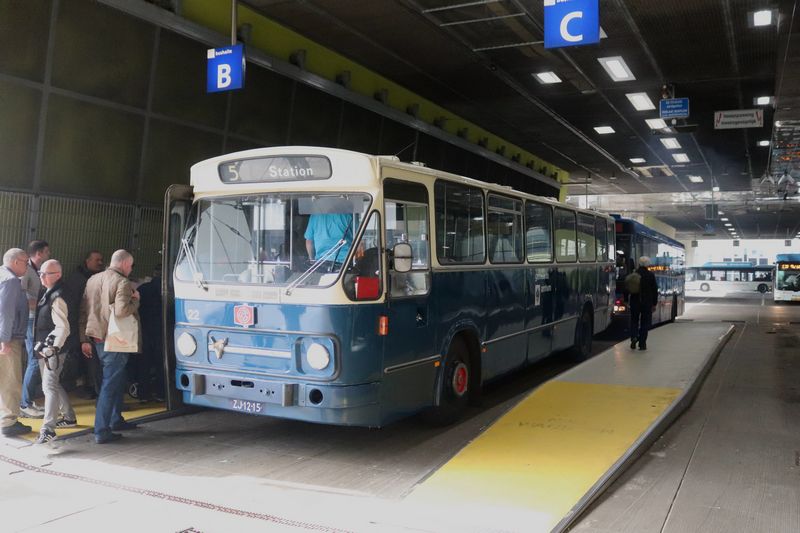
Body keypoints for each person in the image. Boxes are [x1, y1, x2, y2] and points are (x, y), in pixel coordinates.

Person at [80, 249, 140, 444]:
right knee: (110, 383)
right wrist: (135, 300)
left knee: (114, 379)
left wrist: (84, 338)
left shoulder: (93, 279)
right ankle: (102, 429)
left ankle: (115, 419)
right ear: (123, 264)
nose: (130, 269)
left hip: (97, 337)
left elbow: (84, 310)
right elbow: (122, 311)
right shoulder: (122, 282)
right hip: (115, 339)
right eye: (130, 265)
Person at [33, 260, 77, 444]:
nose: (41, 276)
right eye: (40, 273)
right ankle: (69, 416)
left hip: (53, 351)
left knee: (48, 386)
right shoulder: (51, 292)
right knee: (51, 383)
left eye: (46, 273)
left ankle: (48, 429)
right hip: (48, 349)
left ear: (57, 275)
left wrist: (53, 348)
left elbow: (63, 327)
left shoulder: (57, 296)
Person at [61, 250, 104, 399]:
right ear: (87, 261)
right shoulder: (79, 280)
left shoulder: (89, 278)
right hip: (81, 326)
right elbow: (76, 307)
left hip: (86, 326)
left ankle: (91, 387)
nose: (100, 263)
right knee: (90, 360)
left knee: (90, 360)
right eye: (96, 260)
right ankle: (92, 387)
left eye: (101, 260)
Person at [0, 248, 32, 437]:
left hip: (5, 336)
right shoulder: (11, 281)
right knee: (11, 380)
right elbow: (6, 312)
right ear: (16, 262)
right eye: (25, 262)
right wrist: (4, 340)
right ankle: (8, 421)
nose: (27, 266)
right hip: (8, 338)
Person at [19, 240, 50, 418]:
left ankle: (27, 401)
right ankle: (25, 403)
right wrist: (41, 304)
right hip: (30, 320)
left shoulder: (34, 271)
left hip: (33, 319)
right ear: (39, 253)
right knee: (34, 359)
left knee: (35, 359)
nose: (49, 255)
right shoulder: (26, 271)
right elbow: (21, 298)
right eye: (47, 252)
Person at [131, 265, 164, 402]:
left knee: (144, 364)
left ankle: (143, 394)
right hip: (161, 332)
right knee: (161, 363)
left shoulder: (142, 289)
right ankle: (161, 393)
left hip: (144, 330)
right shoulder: (166, 290)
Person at [628, 256, 658, 351]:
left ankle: (634, 337)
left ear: (639, 264)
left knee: (634, 321)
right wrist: (654, 303)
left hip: (635, 302)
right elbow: (654, 291)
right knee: (645, 323)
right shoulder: (650, 275)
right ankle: (642, 343)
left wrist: (625, 300)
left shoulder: (633, 275)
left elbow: (627, 288)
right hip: (647, 303)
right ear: (648, 264)